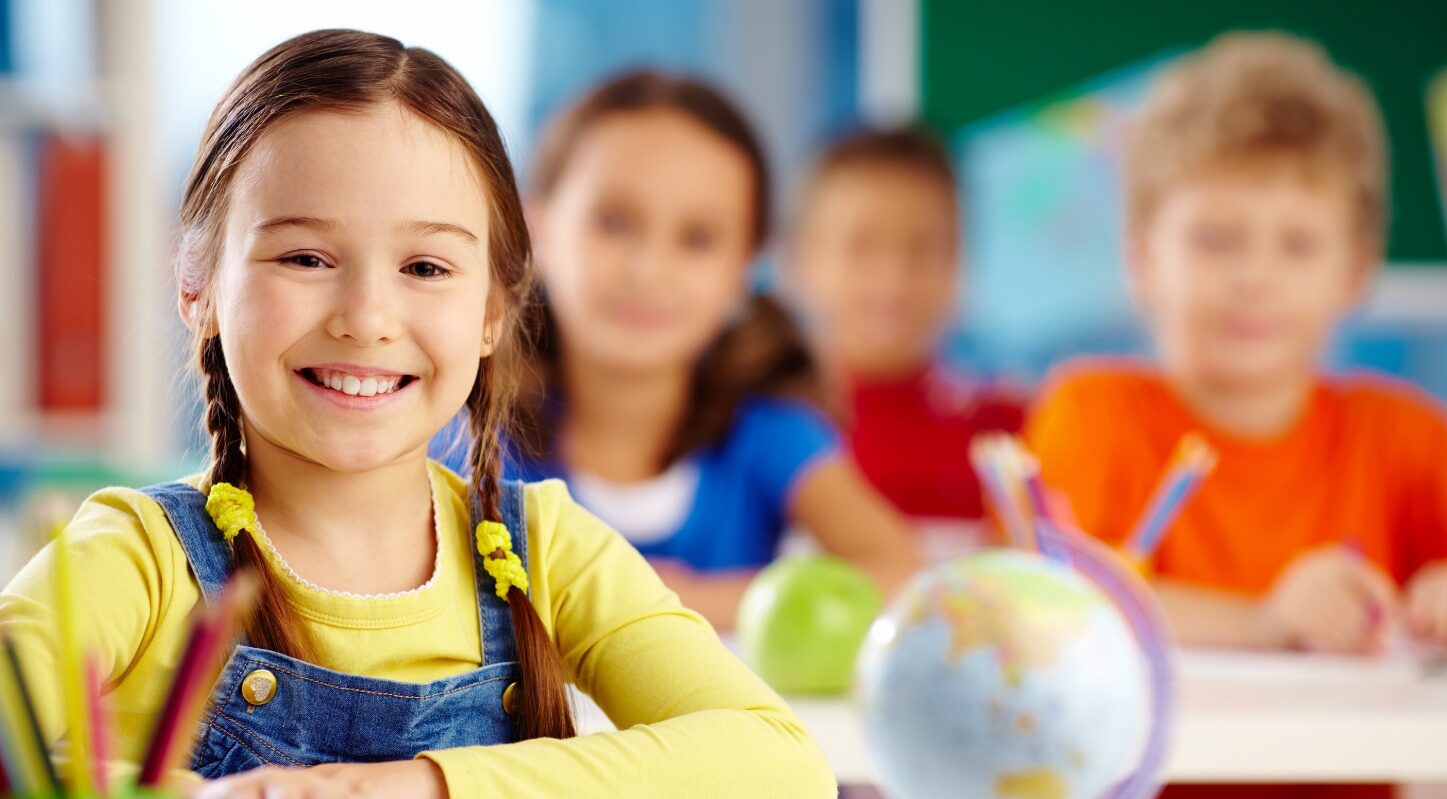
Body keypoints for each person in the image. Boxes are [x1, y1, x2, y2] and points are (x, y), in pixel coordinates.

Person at [0, 30, 835, 798]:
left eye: (425, 266)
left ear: (492, 312)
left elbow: (779, 760)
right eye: (305, 256)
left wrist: (426, 785)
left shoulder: (546, 548)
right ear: (197, 284)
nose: (367, 316)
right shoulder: (137, 555)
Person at [1028, 33, 1447, 799]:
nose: (1254, 276)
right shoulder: (1091, 411)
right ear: (1142, 259)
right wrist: (1265, 620)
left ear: (1354, 271)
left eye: (1297, 244)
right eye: (1215, 239)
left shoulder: (1403, 435)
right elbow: (1053, 600)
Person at [436, 71, 922, 629]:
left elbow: (901, 574)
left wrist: (676, 600)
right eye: (615, 222)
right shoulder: (465, 440)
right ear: (535, 230)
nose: (649, 270)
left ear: (745, 268)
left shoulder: (772, 437)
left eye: (698, 238)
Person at [788, 128, 1025, 524]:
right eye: (860, 246)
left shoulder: (1009, 435)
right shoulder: (756, 428)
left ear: (958, 260)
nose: (892, 280)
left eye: (923, 246)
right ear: (802, 261)